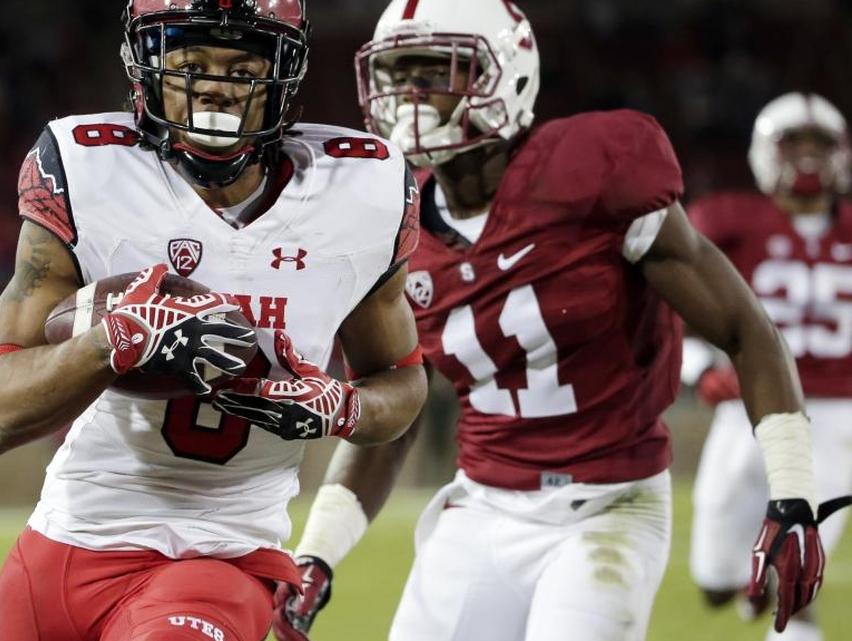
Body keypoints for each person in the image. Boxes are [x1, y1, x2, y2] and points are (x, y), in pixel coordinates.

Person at [272, 2, 850, 641]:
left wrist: (794, 492)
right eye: (398, 75)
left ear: (508, 74)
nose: (413, 96)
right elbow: (398, 406)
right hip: (481, 506)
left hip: (609, 506)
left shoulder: (596, 171)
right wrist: (317, 552)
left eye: (437, 72)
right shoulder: (392, 221)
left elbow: (746, 329)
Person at [0, 1, 427, 640]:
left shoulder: (358, 191)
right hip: (70, 534)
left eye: (241, 69)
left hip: (222, 552)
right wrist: (117, 342)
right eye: (191, 64)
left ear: (282, 77)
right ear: (145, 70)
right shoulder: (88, 171)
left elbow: (402, 382)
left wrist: (340, 407)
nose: (214, 86)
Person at [684, 92, 852, 641]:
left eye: (819, 146)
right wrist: (696, 368)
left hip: (834, 417)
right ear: (765, 153)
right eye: (794, 145)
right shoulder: (726, 220)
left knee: (799, 571)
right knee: (711, 582)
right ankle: (743, 584)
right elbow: (663, 306)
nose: (807, 158)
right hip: (747, 409)